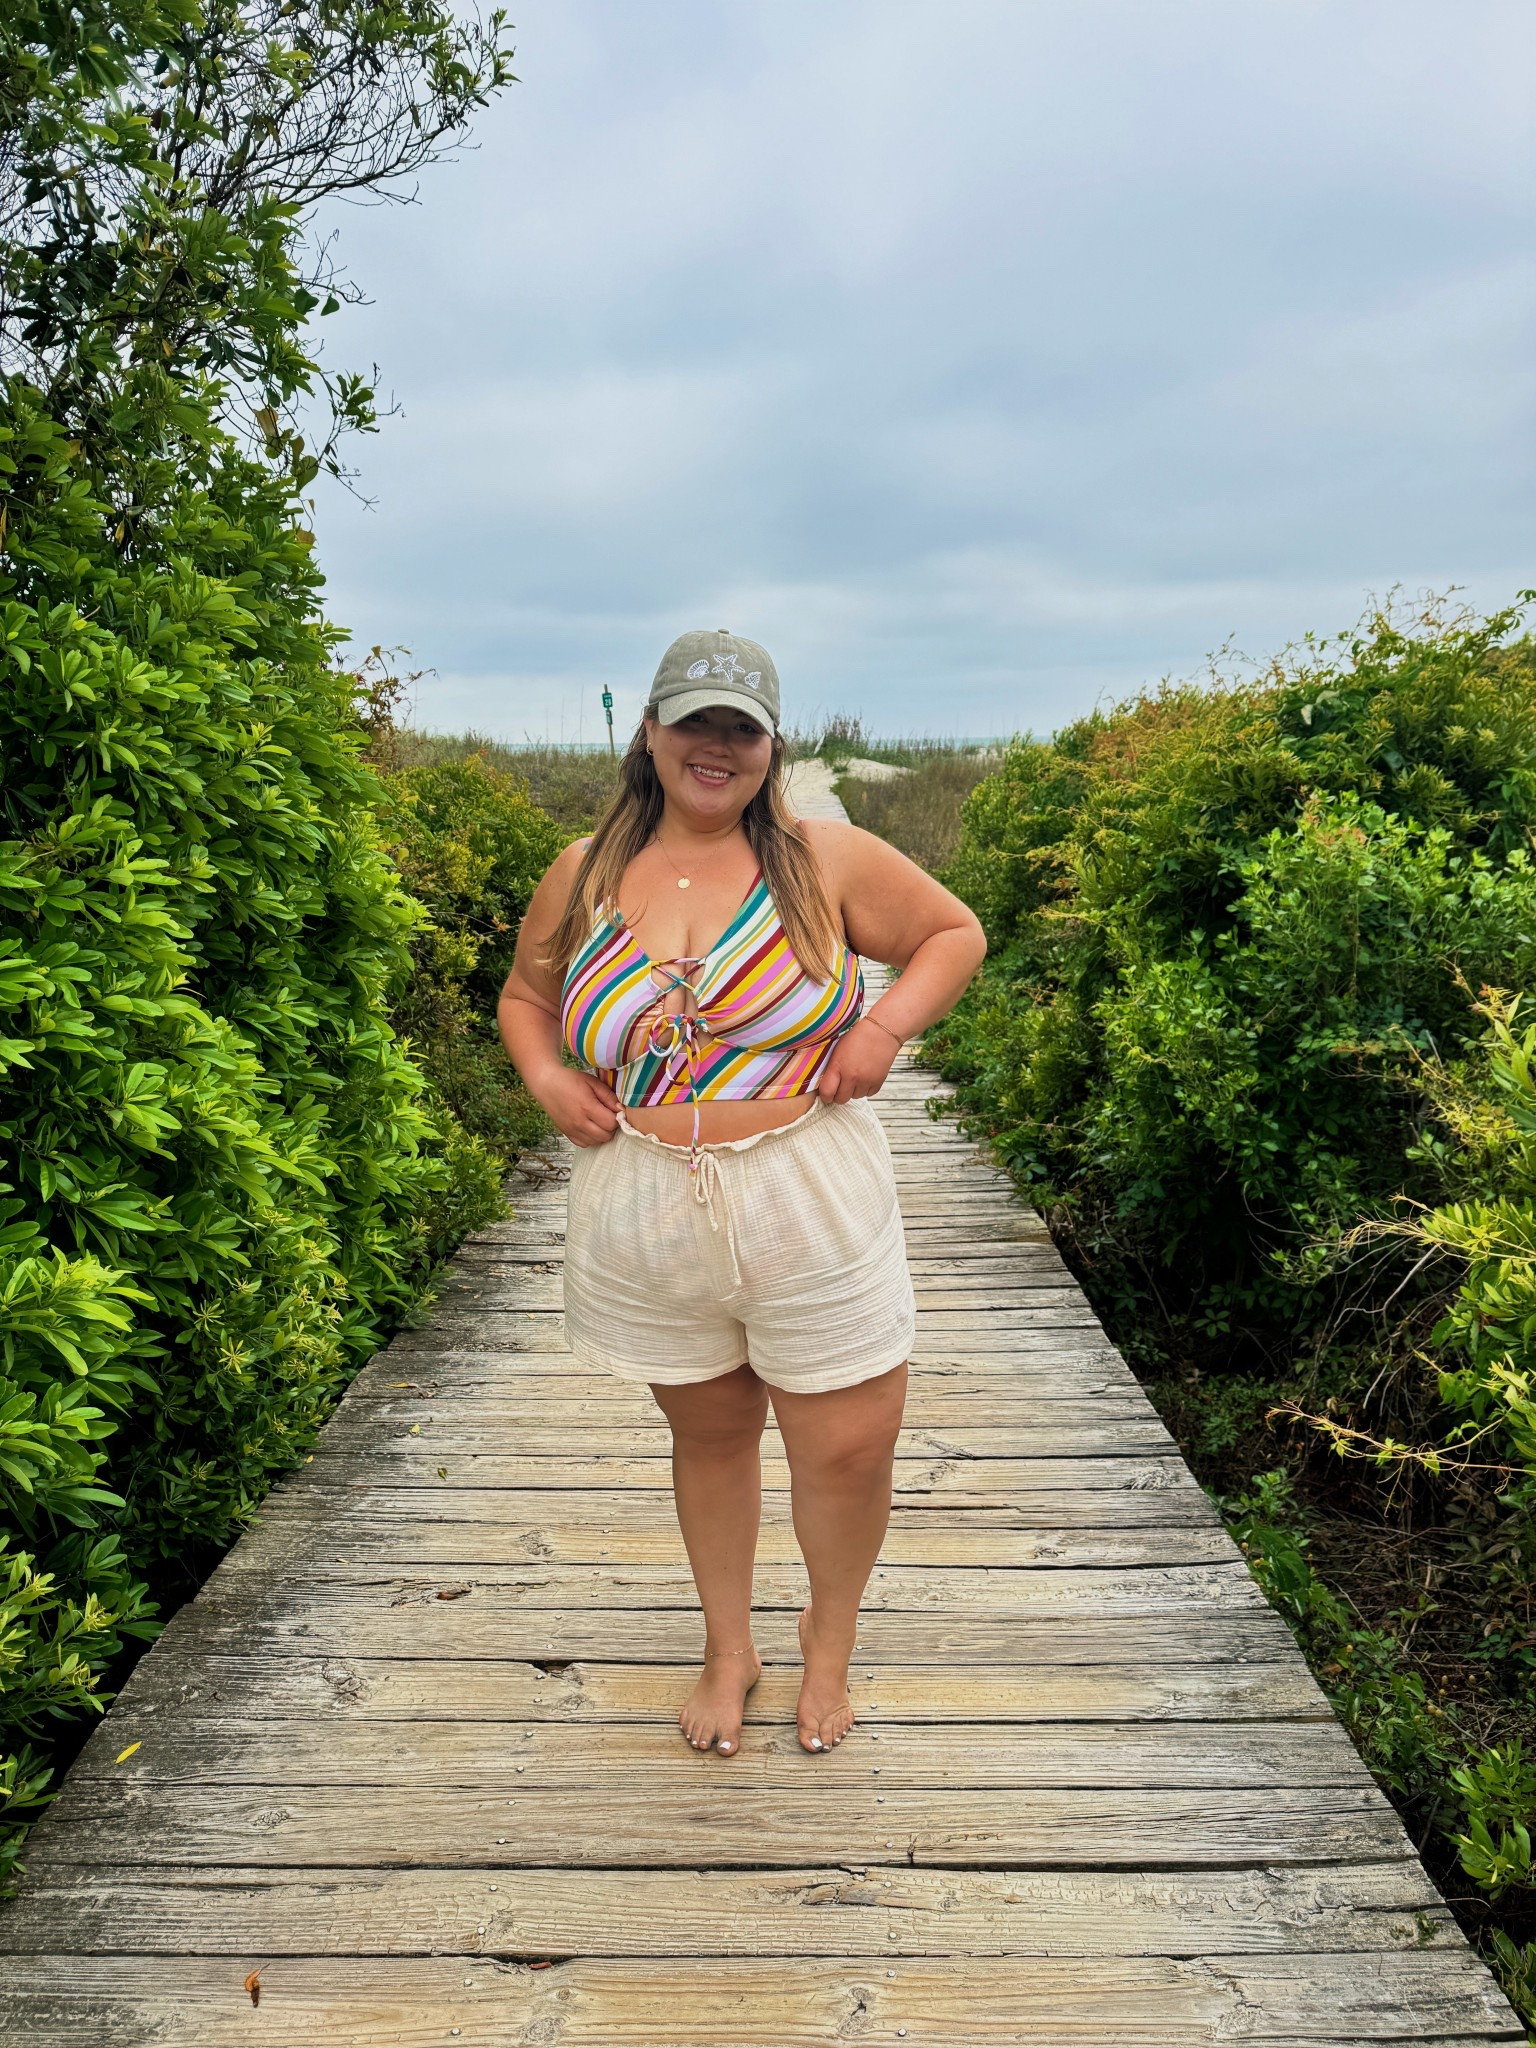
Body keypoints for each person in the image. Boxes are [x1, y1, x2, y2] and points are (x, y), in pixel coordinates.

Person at [498, 629, 986, 1757]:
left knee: (847, 1447)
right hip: (648, 1202)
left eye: (742, 727)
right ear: (649, 732)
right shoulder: (583, 870)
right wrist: (547, 1077)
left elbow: (953, 934)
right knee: (711, 1436)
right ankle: (730, 1647)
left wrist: (882, 1027)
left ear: (772, 746)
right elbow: (525, 998)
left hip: (808, 1192)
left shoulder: (824, 858)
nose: (716, 745)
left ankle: (829, 1644)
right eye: (694, 721)